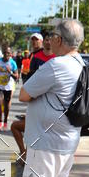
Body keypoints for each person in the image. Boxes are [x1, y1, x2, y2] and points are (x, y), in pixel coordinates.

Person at [17, 18, 84, 177]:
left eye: (52, 36)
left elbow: (25, 94)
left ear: (59, 40)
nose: (48, 40)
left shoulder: (56, 66)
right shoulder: (80, 63)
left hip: (46, 141)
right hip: (66, 140)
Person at [11, 36, 54, 164]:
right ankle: (25, 155)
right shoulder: (35, 57)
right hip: (36, 102)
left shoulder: (58, 59)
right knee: (19, 128)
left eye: (50, 39)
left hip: (51, 106)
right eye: (46, 39)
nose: (48, 42)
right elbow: (30, 80)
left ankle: (31, 158)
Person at [0, 45, 18, 129]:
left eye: (8, 53)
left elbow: (16, 76)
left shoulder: (12, 63)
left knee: (6, 104)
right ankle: (0, 121)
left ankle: (5, 121)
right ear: (3, 53)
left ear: (10, 54)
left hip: (8, 86)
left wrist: (10, 72)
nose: (7, 54)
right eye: (5, 52)